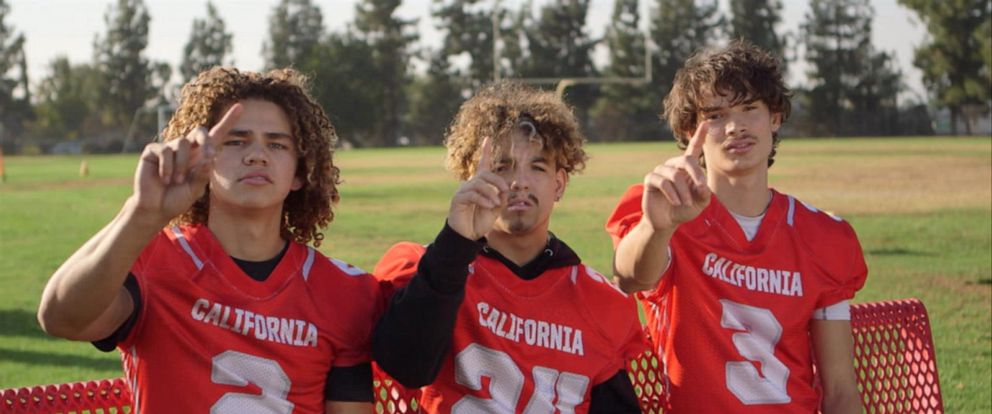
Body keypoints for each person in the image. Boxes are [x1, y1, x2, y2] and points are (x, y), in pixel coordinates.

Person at [37, 67, 382, 414]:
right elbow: (60, 318)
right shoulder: (155, 258)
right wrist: (142, 214)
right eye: (236, 141)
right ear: (201, 157)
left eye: (276, 144)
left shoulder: (344, 292)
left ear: (299, 172)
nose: (257, 155)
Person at [606, 39, 867, 413]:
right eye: (714, 115)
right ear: (688, 129)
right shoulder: (669, 212)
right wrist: (655, 227)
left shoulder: (821, 236)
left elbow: (840, 389)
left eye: (749, 108)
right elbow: (630, 277)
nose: (735, 127)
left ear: (774, 116)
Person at [371, 81, 647, 413]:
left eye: (538, 166)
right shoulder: (423, 266)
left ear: (559, 184)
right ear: (473, 177)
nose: (519, 182)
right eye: (502, 167)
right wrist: (455, 244)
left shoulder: (597, 301)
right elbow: (406, 367)